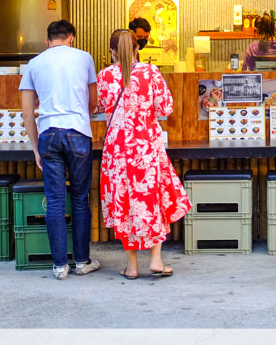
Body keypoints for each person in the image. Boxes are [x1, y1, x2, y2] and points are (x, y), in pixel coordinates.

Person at [98, 30, 191, 279]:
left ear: (112, 52)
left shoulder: (105, 75)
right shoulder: (150, 73)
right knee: (152, 200)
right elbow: (165, 108)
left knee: (124, 204)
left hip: (117, 151)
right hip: (146, 147)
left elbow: (100, 106)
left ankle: (132, 267)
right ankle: (157, 260)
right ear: (138, 49)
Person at [20, 19, 101, 280]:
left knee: (54, 201)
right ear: (72, 38)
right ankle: (82, 261)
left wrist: (35, 149)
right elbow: (93, 101)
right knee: (79, 199)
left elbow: (27, 112)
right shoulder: (85, 57)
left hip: (48, 134)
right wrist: (79, 118)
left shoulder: (34, 63)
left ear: (47, 41)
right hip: (78, 133)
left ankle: (59, 266)